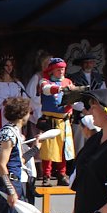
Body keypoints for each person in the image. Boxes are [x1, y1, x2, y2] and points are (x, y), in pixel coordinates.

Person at [37, 57, 76, 186]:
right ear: (52, 70)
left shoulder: (68, 81)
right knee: (48, 150)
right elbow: (46, 89)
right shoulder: (44, 81)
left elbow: (73, 99)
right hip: (50, 121)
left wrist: (74, 97)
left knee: (64, 149)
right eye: (58, 69)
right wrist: (59, 89)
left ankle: (61, 173)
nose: (61, 72)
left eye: (63, 69)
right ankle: (46, 175)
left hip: (64, 121)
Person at [0, 55, 29, 134]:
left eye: (11, 65)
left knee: (16, 132)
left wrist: (16, 101)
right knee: (4, 133)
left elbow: (24, 97)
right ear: (2, 67)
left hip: (16, 111)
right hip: (4, 112)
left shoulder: (16, 83)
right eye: (7, 65)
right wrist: (4, 101)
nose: (9, 68)